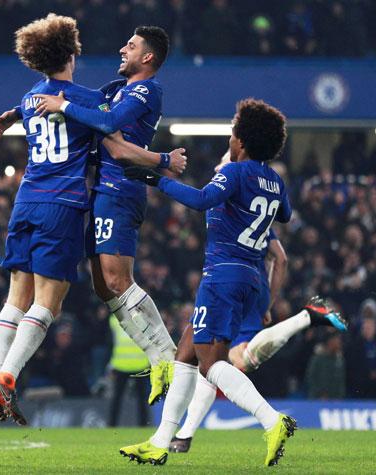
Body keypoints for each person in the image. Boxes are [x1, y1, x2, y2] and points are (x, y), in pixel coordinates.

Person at [0, 14, 185, 425]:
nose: (120, 48)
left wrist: (15, 115)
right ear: (71, 52)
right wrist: (165, 160)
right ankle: (4, 379)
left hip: (26, 201)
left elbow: (92, 119)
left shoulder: (30, 99)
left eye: (129, 45)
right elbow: (108, 126)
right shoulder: (88, 100)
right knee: (49, 302)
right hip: (64, 203)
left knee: (15, 299)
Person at [119, 98, 335, 467]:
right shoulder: (276, 180)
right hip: (251, 278)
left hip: (223, 275)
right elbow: (285, 213)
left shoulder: (235, 173)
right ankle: (161, 441)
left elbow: (203, 200)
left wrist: (158, 179)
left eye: (233, 133)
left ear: (242, 142)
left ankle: (272, 420)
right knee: (185, 353)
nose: (230, 138)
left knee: (210, 363)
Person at [169, 227, 347, 453]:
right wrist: (269, 303)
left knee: (232, 360)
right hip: (255, 284)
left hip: (228, 284)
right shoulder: (260, 215)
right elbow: (281, 259)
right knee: (211, 364)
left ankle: (307, 316)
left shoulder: (229, 209)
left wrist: (164, 188)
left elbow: (201, 200)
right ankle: (184, 436)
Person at [108, 315, 150, 427]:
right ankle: (144, 426)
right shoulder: (143, 318)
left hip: (123, 364)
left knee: (118, 399)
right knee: (141, 400)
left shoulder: (114, 319)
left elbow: (110, 343)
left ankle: (111, 425)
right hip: (136, 364)